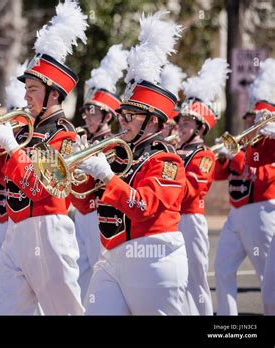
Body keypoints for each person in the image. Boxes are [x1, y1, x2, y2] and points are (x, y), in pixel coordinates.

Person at [0, 0, 88, 315]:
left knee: (64, 312)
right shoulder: (25, 132)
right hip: (16, 229)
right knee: (4, 310)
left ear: (53, 94)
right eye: (26, 88)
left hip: (48, 229)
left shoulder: (65, 136)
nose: (25, 95)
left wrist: (12, 147)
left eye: (33, 89)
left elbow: (44, 187)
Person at [74, 11, 188, 315]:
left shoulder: (166, 160)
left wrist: (106, 176)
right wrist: (76, 173)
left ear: (152, 121)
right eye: (122, 115)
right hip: (110, 256)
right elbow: (86, 205)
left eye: (129, 117)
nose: (121, 122)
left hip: (153, 255)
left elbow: (143, 207)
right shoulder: (119, 154)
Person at [214, 58, 275, 315]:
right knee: (222, 268)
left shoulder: (268, 145)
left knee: (268, 277)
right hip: (236, 213)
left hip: (262, 211)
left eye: (255, 118)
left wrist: (236, 155)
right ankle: (228, 321)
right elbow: (217, 175)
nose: (250, 122)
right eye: (249, 117)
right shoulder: (246, 146)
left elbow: (260, 175)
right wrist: (221, 155)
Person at [70, 44, 128, 299]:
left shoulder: (114, 144)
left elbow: (108, 178)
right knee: (80, 271)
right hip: (79, 212)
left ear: (107, 117)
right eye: (86, 111)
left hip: (97, 212)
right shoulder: (83, 138)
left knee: (99, 269)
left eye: (93, 112)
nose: (87, 116)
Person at [175, 58, 230, 315]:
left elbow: (192, 190)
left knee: (196, 281)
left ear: (200, 128)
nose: (179, 127)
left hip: (190, 220)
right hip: (172, 220)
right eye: (180, 122)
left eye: (186, 123)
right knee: (176, 280)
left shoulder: (204, 155)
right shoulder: (174, 150)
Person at [0, 61, 28, 302]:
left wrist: (12, 146)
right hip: (2, 224)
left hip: (23, 225)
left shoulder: (29, 143)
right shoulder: (4, 143)